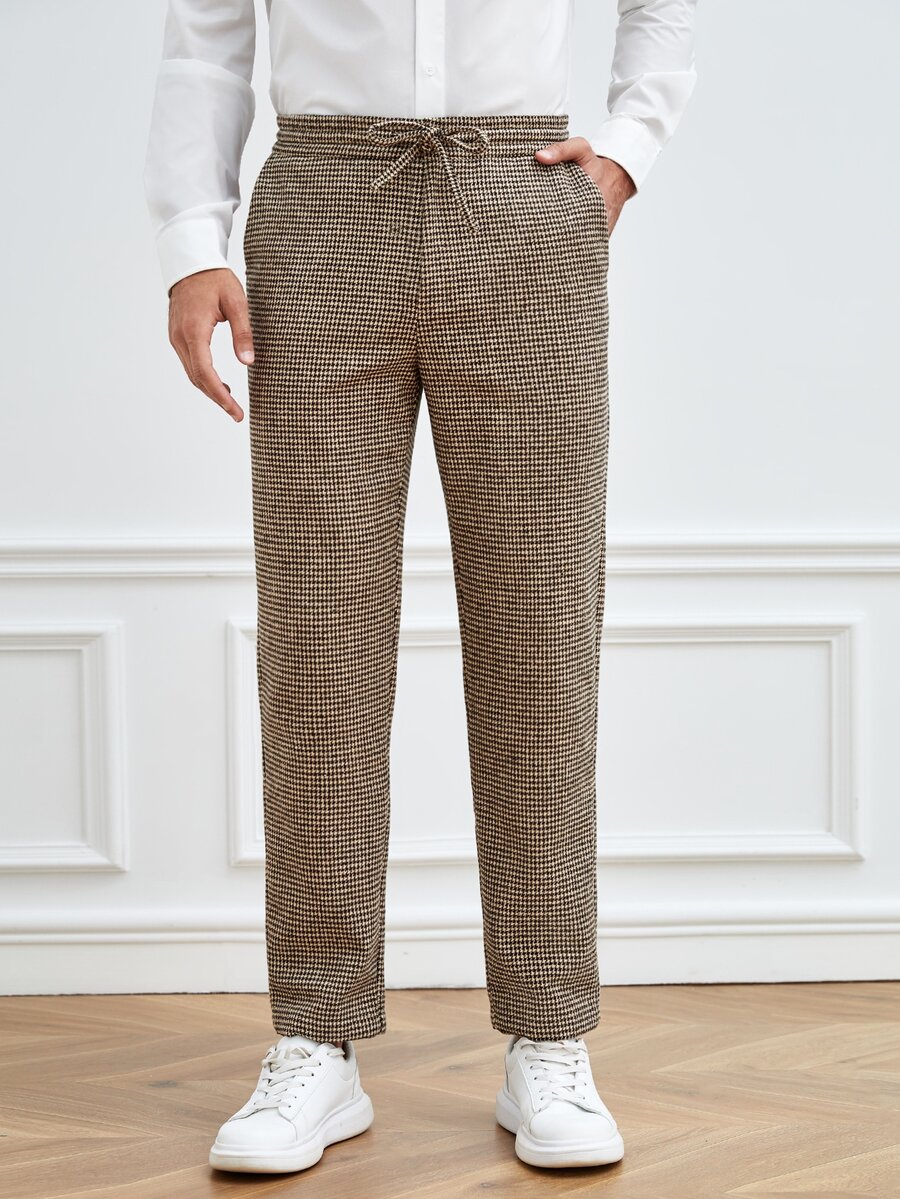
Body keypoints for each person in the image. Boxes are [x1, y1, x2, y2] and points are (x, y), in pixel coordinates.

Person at [143, 0, 698, 1176]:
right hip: (321, 204)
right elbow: (205, 34)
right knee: (319, 640)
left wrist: (627, 151)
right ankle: (316, 1036)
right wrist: (194, 239)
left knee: (541, 633)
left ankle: (549, 1032)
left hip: (524, 199)